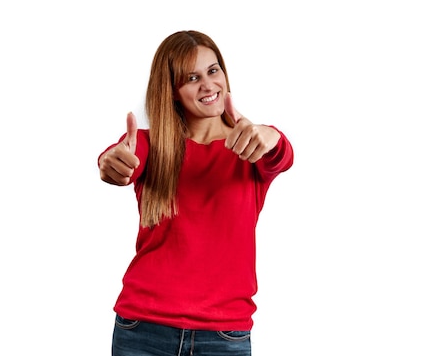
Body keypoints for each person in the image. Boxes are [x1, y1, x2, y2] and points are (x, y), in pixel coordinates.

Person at [98, 30, 294, 355]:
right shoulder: (150, 145)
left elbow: (281, 154)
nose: (207, 85)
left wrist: (271, 135)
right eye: (192, 77)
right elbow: (118, 161)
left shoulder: (250, 147)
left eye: (213, 70)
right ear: (173, 91)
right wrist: (111, 163)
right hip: (143, 331)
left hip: (223, 337)